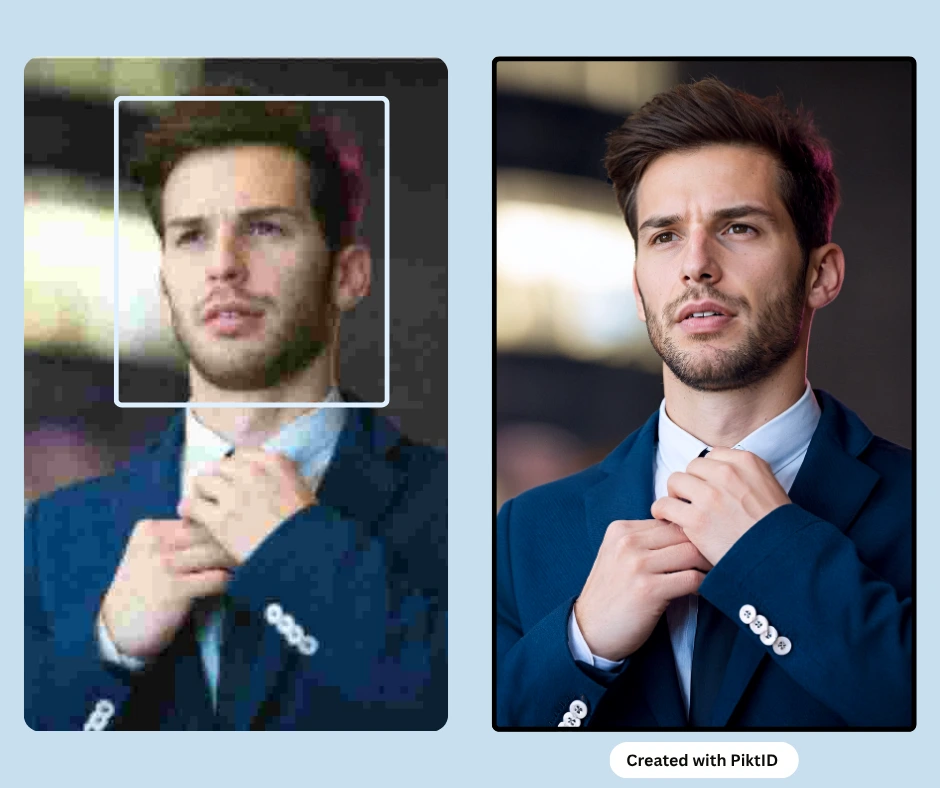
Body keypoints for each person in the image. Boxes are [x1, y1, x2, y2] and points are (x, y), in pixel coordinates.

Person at [496, 78, 911, 729]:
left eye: (738, 228)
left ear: (820, 274)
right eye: (664, 236)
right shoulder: (522, 534)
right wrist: (581, 646)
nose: (696, 265)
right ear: (639, 290)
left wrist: (774, 557)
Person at [25, 90, 446, 731]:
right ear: (166, 290)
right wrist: (109, 653)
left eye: (264, 227)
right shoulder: (52, 538)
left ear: (348, 275)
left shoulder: (465, 514)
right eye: (192, 236)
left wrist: (306, 561)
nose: (223, 264)